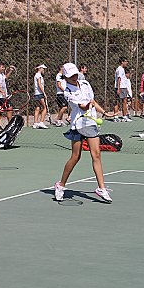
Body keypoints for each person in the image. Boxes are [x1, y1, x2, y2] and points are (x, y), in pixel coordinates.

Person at [54, 63, 112, 203]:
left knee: (96, 154)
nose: (74, 77)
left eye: (75, 74)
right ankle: (61, 185)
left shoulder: (85, 83)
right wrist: (87, 105)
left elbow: (92, 101)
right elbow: (82, 105)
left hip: (91, 123)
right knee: (75, 157)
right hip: (77, 124)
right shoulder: (67, 91)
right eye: (70, 76)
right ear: (65, 78)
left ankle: (101, 188)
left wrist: (104, 113)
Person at [113, 57, 132, 122]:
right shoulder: (119, 69)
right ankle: (115, 117)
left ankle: (124, 116)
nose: (127, 63)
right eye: (125, 61)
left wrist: (126, 88)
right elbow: (119, 79)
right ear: (122, 62)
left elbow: (123, 79)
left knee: (124, 102)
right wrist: (118, 89)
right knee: (117, 102)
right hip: (120, 88)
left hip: (123, 87)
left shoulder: (122, 69)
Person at [0, 63, 12, 130]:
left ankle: (10, 124)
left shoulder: (1, 74)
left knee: (9, 109)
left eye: (4, 67)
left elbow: (5, 77)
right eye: (2, 67)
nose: (4, 68)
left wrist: (10, 71)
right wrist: (2, 91)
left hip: (4, 96)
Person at [32, 64, 49, 129]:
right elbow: (39, 84)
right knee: (45, 108)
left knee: (38, 108)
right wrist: (44, 93)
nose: (44, 70)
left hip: (37, 93)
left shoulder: (37, 75)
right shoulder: (38, 75)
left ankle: (35, 123)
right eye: (43, 69)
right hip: (39, 94)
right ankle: (41, 122)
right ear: (40, 68)